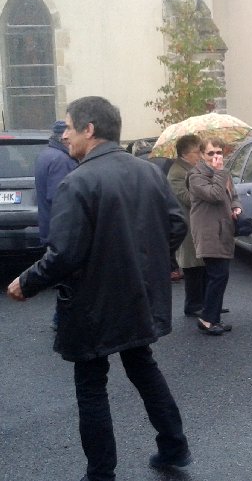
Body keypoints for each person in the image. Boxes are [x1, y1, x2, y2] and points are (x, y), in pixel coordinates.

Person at [6, 96, 191, 481]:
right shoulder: (149, 173)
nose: (65, 136)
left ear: (89, 129)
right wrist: (146, 261)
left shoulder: (78, 182)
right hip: (138, 296)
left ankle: (100, 473)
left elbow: (65, 254)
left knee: (91, 386)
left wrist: (27, 282)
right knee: (143, 367)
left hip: (92, 306)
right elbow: (175, 226)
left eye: (69, 128)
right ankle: (174, 446)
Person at [188, 137, 241, 336]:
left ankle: (214, 318)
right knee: (217, 275)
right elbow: (215, 195)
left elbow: (232, 195)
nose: (216, 156)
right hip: (208, 231)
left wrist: (236, 207)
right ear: (202, 155)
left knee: (221, 276)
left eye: (219, 152)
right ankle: (207, 319)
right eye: (211, 153)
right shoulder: (195, 176)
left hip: (224, 229)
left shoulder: (222, 173)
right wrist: (220, 172)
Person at [33, 119, 78, 330]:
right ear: (63, 137)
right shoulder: (61, 159)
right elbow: (61, 197)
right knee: (69, 279)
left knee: (65, 278)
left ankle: (62, 320)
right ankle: (62, 321)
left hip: (50, 227)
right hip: (61, 230)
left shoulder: (47, 155)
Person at [167, 134, 206, 317]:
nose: (200, 155)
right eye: (197, 152)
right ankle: (193, 305)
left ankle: (206, 302)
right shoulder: (177, 173)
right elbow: (187, 198)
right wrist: (205, 189)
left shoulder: (194, 168)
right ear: (185, 153)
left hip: (199, 224)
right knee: (192, 268)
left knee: (203, 266)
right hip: (188, 226)